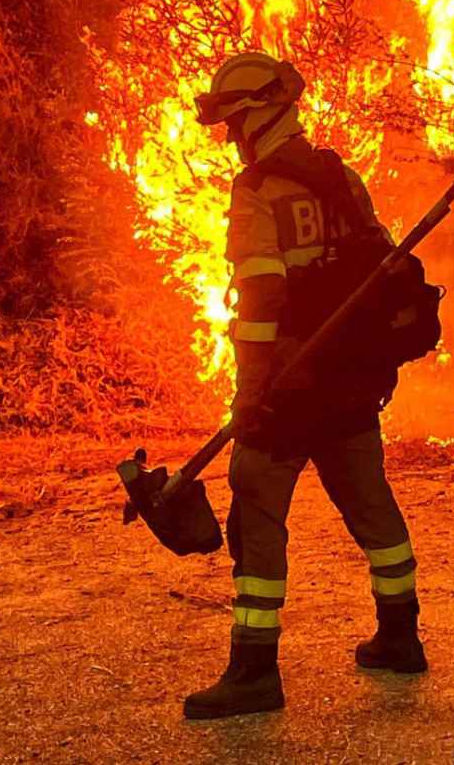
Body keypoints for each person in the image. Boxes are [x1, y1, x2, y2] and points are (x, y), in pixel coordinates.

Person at [182, 52, 427, 721]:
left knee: (257, 507)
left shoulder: (258, 191)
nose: (230, 139)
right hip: (349, 377)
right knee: (371, 504)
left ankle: (254, 671)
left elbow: (260, 300)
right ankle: (401, 636)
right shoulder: (342, 176)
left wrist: (250, 394)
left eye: (232, 125)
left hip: (291, 386)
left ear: (257, 116)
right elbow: (377, 267)